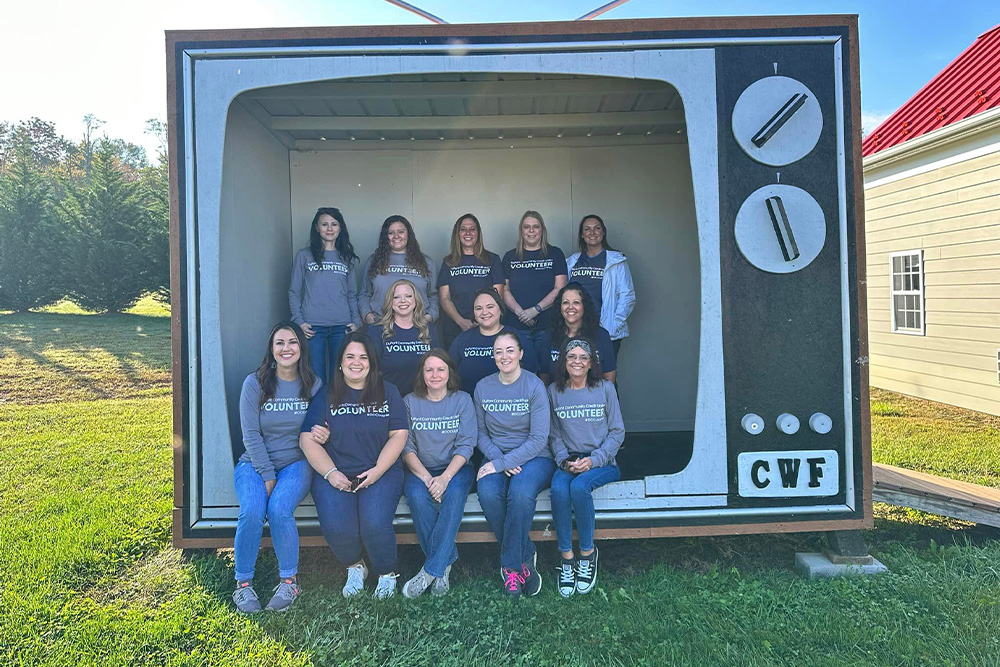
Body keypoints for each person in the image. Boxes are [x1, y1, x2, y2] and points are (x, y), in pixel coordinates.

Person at [298, 332, 409, 599]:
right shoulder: (327, 394)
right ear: (340, 363)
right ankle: (356, 567)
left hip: (380, 471)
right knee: (338, 526)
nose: (356, 362)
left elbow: (399, 435)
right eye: (350, 357)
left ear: (371, 362)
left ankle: (386, 572)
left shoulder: (388, 391)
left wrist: (378, 471)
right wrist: (331, 473)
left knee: (374, 523)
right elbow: (306, 439)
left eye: (363, 357)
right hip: (336, 472)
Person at [232, 321, 322, 614]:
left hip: (297, 463)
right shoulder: (254, 383)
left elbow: (320, 427)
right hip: (254, 464)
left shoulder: (313, 384)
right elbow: (250, 434)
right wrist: (267, 474)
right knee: (252, 511)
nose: (286, 348)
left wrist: (325, 432)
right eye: (280, 343)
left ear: (301, 347)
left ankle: (289, 581)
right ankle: (243, 585)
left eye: (292, 342)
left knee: (280, 509)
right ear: (271, 350)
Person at [474, 330, 554, 598]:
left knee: (520, 494)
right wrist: (498, 461)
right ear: (493, 356)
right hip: (496, 455)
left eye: (510, 350)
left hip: (535, 457)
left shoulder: (534, 386)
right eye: (498, 351)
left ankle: (509, 568)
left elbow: (539, 438)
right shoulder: (483, 387)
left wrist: (505, 462)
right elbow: (480, 434)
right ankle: (525, 555)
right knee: (487, 492)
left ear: (520, 354)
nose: (504, 356)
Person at [547, 338, 624, 598]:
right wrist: (563, 460)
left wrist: (594, 459)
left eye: (583, 357)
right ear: (564, 362)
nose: (577, 361)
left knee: (580, 488)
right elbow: (553, 434)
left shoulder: (604, 388)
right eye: (571, 357)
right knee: (558, 489)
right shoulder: (554, 391)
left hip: (602, 461)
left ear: (591, 363)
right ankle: (567, 558)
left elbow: (617, 432)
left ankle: (588, 555)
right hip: (570, 460)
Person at [400, 350, 477, 598]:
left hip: (456, 469)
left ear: (449, 373)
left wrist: (444, 478)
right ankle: (445, 563)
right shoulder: (409, 402)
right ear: (422, 374)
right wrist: (426, 478)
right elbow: (406, 446)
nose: (435, 375)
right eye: (429, 370)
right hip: (419, 470)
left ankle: (430, 570)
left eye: (440, 369)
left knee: (454, 496)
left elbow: (466, 445)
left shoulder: (463, 400)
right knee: (417, 497)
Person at [288, 207, 361, 384]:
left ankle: (336, 410)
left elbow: (352, 294)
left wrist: (356, 320)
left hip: (341, 326)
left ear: (340, 228)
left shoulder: (346, 257)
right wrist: (299, 321)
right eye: (324, 224)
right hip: (313, 328)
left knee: (340, 377)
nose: (329, 229)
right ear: (316, 228)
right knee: (316, 378)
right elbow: (294, 291)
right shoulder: (304, 255)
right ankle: (320, 412)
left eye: (334, 224)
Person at [565, 214, 635, 356]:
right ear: (582, 235)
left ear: (603, 232)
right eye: (587, 229)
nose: (592, 232)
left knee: (605, 376)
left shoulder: (616, 261)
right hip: (577, 328)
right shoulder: (572, 261)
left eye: (597, 228)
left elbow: (627, 296)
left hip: (604, 329)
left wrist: (612, 326)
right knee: (577, 374)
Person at [448, 288, 540, 395]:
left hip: (510, 405)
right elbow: (449, 372)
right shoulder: (462, 339)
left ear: (500, 309)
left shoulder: (516, 337)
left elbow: (532, 374)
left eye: (490, 307)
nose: (484, 312)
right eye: (478, 308)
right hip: (470, 405)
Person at [501, 210, 568, 350]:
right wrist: (521, 313)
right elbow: (504, 289)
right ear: (521, 230)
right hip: (516, 326)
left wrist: (535, 310)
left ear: (542, 230)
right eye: (526, 227)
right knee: (520, 369)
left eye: (536, 226)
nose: (531, 231)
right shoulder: (510, 256)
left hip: (548, 326)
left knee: (547, 370)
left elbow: (560, 288)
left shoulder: (555, 254)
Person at [437, 213, 505, 349]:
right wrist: (461, 322)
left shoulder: (492, 259)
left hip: (487, 325)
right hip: (454, 327)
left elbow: (498, 296)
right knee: (456, 367)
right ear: (457, 233)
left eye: (472, 229)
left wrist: (484, 321)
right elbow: (444, 297)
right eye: (463, 229)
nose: (468, 233)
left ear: (478, 233)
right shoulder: (448, 262)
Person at [360, 215, 438, 325]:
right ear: (385, 236)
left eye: (401, 231)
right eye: (391, 233)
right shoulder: (373, 261)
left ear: (408, 234)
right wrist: (368, 315)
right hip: (381, 325)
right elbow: (364, 294)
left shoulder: (426, 262)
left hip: (417, 326)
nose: (396, 236)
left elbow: (433, 295)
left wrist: (429, 317)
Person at [369, 279, 440, 396]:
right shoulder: (377, 330)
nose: (403, 300)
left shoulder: (429, 329)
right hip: (388, 398)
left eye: (408, 296)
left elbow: (438, 366)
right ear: (390, 302)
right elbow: (371, 371)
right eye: (396, 297)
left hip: (423, 399)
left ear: (416, 300)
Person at [539, 283, 617, 384]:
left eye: (576, 303)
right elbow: (544, 377)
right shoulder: (548, 336)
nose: (570, 307)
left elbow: (609, 375)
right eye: (566, 303)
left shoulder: (601, 336)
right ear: (560, 307)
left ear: (584, 306)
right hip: (558, 397)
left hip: (596, 397)